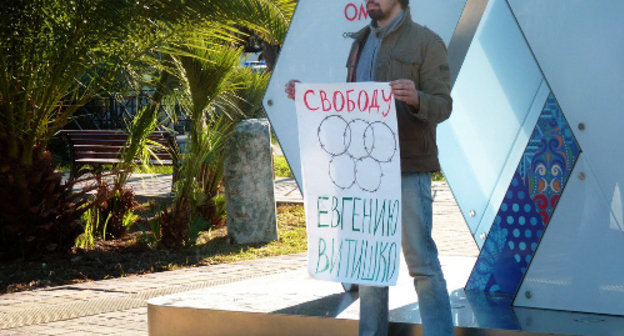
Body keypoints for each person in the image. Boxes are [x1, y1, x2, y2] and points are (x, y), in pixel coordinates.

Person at [285, 0, 453, 335]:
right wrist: (306, 96)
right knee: (370, 269)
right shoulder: (360, 42)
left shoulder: (426, 42)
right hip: (365, 177)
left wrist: (417, 98)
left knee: (422, 265)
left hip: (407, 169)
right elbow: (352, 106)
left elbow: (443, 105)